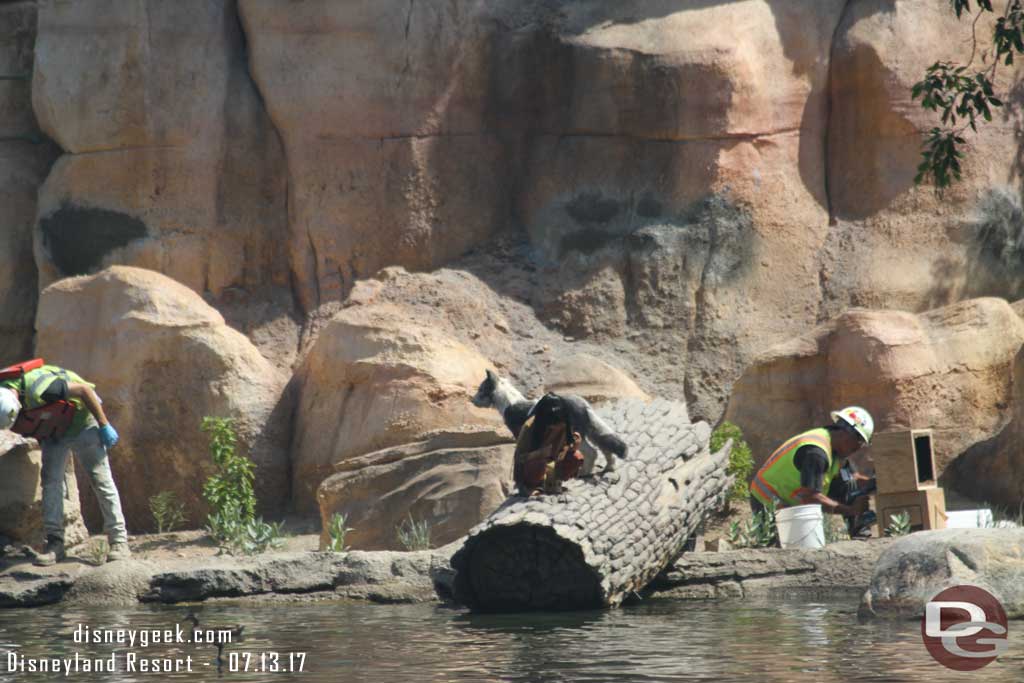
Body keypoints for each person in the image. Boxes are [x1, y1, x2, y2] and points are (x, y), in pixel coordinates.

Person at [0, 363, 130, 565]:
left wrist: (104, 425)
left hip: (83, 423)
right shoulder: (4, 396)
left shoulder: (41, 389)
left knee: (101, 481)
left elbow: (84, 390)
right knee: (51, 484)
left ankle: (119, 542)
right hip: (55, 433)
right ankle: (55, 545)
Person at [749, 406, 875, 522]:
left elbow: (854, 479)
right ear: (846, 433)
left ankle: (859, 530)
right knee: (782, 544)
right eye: (859, 441)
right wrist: (851, 511)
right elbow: (811, 498)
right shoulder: (816, 453)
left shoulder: (836, 448)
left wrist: (875, 483)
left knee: (848, 483)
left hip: (791, 502)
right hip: (767, 501)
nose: (859, 447)